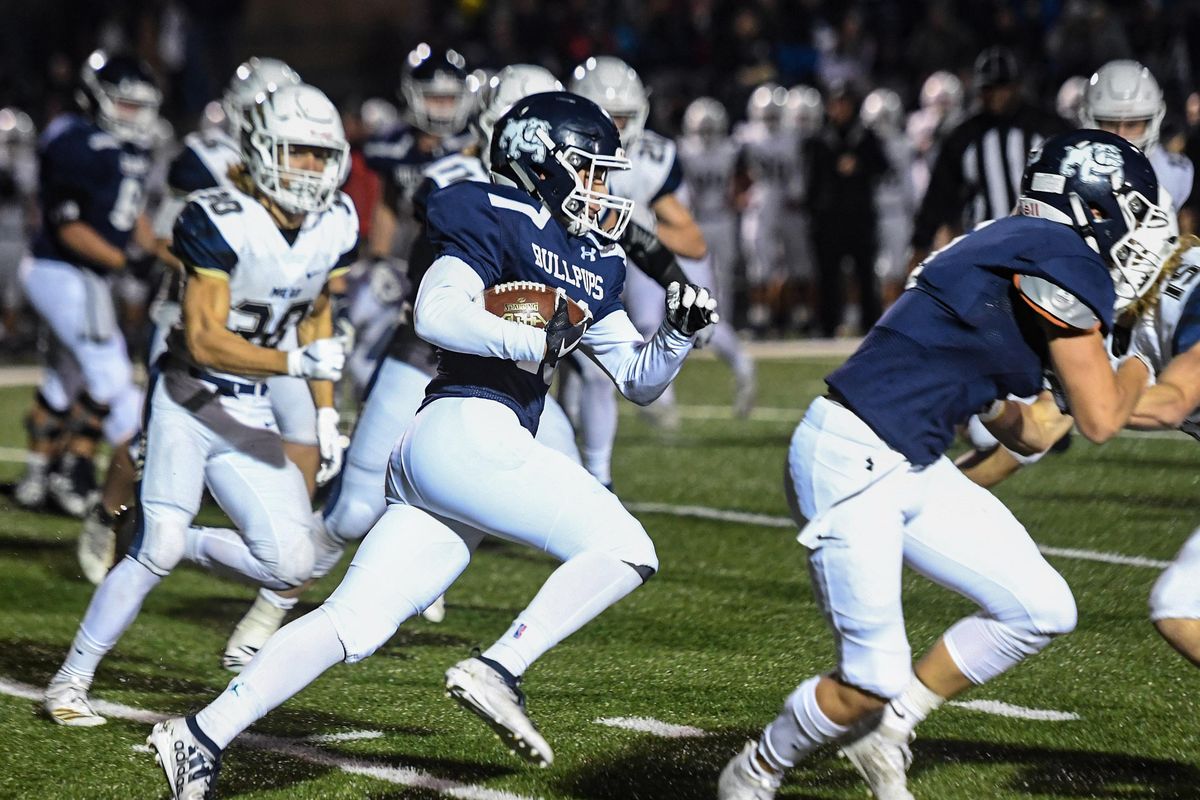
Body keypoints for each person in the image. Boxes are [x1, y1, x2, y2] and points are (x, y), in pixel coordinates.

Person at [146, 90, 718, 798]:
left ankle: (198, 735)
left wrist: (676, 336)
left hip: (457, 450)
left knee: (353, 622)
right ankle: (500, 667)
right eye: (591, 171)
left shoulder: (591, 261)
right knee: (628, 546)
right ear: (543, 162)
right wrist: (532, 336)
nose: (603, 190)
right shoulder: (486, 208)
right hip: (464, 429)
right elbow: (437, 311)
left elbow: (636, 378)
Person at [717, 129, 1177, 800]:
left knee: (1041, 606)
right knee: (870, 676)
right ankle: (756, 770)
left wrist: (1031, 431)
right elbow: (1105, 418)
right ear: (1095, 208)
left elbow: (1022, 419)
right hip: (855, 457)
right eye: (1133, 215)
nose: (1140, 239)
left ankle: (890, 728)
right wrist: (1144, 354)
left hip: (904, 457)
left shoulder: (1004, 240)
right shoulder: (1060, 255)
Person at [42, 83, 357, 728]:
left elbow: (316, 308)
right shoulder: (216, 216)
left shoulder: (334, 223)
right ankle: (68, 681)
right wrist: (295, 365)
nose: (310, 169)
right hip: (188, 398)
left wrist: (324, 410)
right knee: (154, 539)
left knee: (292, 562)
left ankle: (180, 542)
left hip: (249, 408)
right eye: (298, 153)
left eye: (321, 156)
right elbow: (208, 338)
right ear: (266, 150)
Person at [570, 56, 749, 479]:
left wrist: (639, 226)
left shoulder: (649, 158)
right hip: (549, 261)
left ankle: (599, 479)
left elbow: (692, 240)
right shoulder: (553, 147)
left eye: (624, 117)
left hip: (599, 272)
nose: (618, 128)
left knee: (597, 375)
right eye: (608, 117)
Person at [15, 50, 161, 518]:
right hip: (57, 269)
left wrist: (157, 250)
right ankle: (73, 470)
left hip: (85, 274)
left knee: (65, 378)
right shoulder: (72, 141)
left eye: (140, 107)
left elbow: (130, 208)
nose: (133, 116)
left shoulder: (131, 148)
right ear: (94, 98)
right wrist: (126, 261)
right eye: (124, 105)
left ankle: (37, 475)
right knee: (109, 373)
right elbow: (68, 225)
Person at [352, 43, 475, 396]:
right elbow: (389, 205)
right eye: (434, 97)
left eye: (449, 98)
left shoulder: (474, 145)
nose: (442, 107)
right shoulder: (394, 145)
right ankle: (371, 403)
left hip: (463, 263)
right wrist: (377, 260)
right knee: (364, 315)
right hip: (410, 258)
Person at [909, 47, 1064, 270]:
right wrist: (920, 242)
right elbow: (939, 194)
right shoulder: (964, 136)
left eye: (1002, 87)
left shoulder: (1046, 128)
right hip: (986, 245)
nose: (994, 95)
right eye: (988, 88)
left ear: (1017, 86)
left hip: (1042, 243)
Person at [805, 81, 889, 336]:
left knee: (865, 272)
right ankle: (828, 324)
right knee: (828, 274)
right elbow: (812, 180)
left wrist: (860, 164)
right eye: (836, 103)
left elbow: (883, 167)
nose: (839, 109)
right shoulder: (820, 139)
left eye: (844, 103)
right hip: (829, 218)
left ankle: (869, 324)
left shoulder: (865, 135)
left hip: (859, 216)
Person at [736, 82, 814, 336]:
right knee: (759, 261)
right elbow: (736, 171)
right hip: (761, 202)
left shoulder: (794, 135)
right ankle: (761, 315)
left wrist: (800, 192)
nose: (770, 120)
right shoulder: (747, 137)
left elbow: (804, 168)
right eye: (765, 115)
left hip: (791, 201)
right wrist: (739, 193)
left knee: (799, 258)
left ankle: (802, 314)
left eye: (774, 114)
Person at [1081, 60, 1193, 213]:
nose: (1120, 135)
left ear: (1153, 121)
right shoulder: (1073, 168)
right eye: (1109, 123)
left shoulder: (1176, 176)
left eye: (1132, 125)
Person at [860, 88, 916, 308]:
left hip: (895, 211)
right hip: (874, 212)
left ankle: (891, 312)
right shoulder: (864, 145)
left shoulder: (904, 144)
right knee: (876, 267)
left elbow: (910, 182)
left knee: (897, 267)